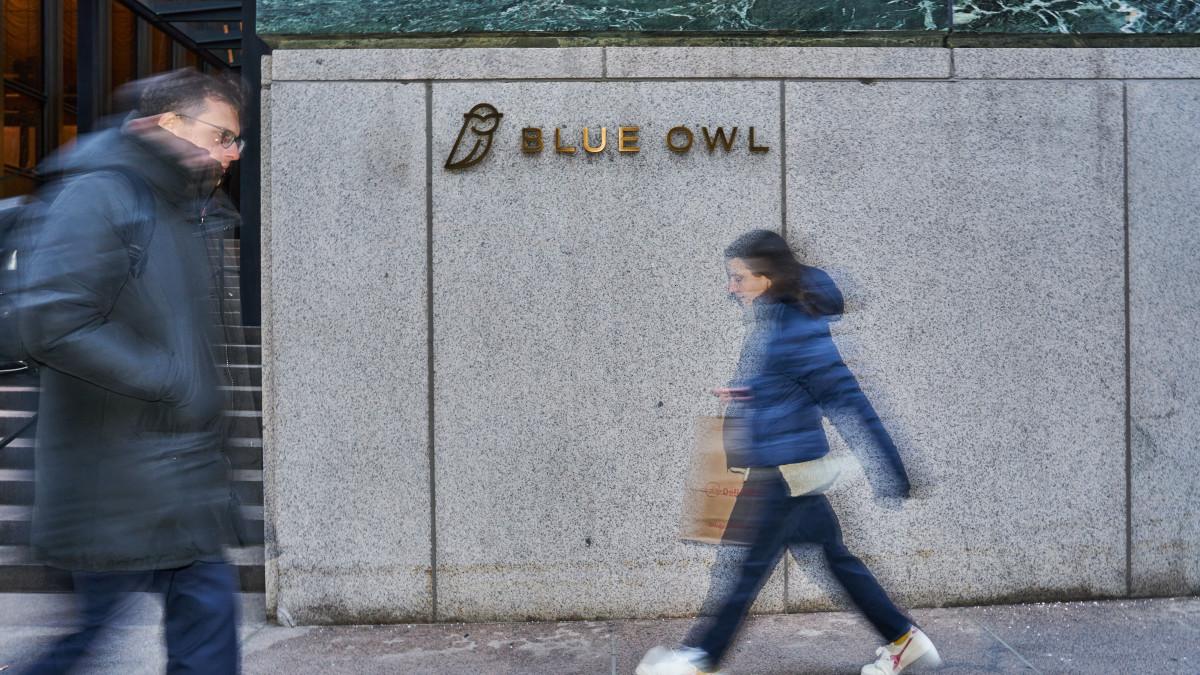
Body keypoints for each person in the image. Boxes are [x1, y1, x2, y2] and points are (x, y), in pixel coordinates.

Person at [19, 69, 246, 675]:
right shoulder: (102, 195)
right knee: (85, 639)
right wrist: (171, 379)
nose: (231, 153)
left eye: (235, 141)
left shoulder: (184, 208)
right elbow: (52, 320)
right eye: (221, 136)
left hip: (178, 484)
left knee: (203, 630)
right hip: (115, 487)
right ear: (169, 123)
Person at [638, 230, 940, 675]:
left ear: (767, 278)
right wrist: (750, 393)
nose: (731, 287)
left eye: (739, 278)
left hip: (783, 472)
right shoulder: (778, 318)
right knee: (834, 560)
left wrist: (891, 471)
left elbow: (849, 400)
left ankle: (700, 658)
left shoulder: (795, 330)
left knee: (744, 571)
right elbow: (789, 386)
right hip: (788, 469)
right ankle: (903, 638)